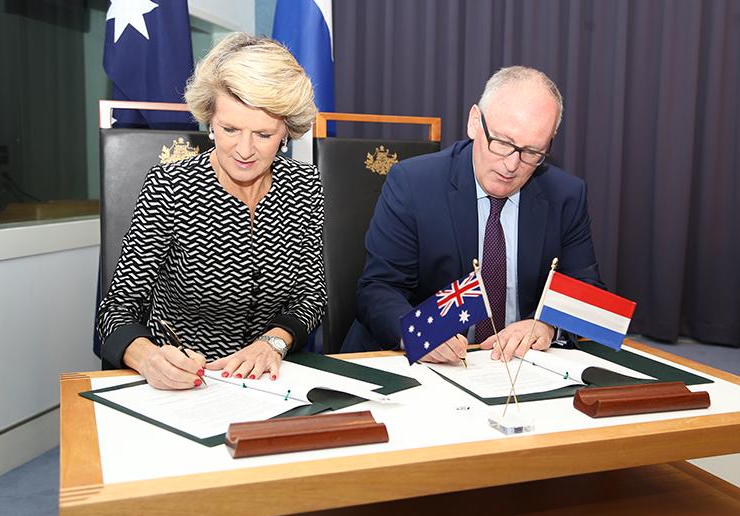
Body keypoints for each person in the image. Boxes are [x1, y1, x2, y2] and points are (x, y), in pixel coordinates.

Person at [97, 34, 326, 389]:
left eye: (263, 134)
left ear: (286, 132)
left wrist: (274, 342)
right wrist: (148, 358)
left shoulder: (303, 185)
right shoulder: (171, 187)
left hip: (268, 380)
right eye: (230, 129)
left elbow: (311, 295)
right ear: (209, 120)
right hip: (184, 382)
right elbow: (115, 311)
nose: (245, 150)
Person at [341, 66, 603, 362]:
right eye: (503, 143)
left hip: (519, 367)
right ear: (474, 122)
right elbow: (378, 288)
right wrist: (418, 334)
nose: (512, 165)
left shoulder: (565, 194)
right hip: (421, 362)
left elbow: (586, 291)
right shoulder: (414, 183)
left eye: (532, 152)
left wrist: (547, 326)